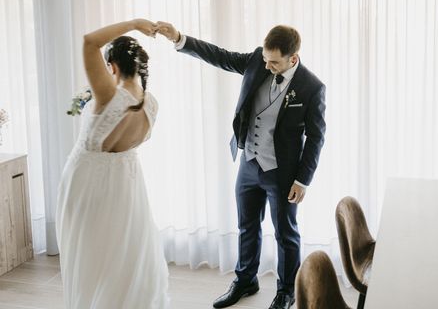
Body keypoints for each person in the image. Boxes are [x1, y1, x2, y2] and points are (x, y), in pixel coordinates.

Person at [157, 23, 326, 309]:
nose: (267, 64)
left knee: (286, 232)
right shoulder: (257, 60)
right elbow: (219, 55)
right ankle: (246, 279)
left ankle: (287, 291)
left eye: (274, 62)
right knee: (247, 226)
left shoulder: (312, 87)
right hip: (248, 164)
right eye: (265, 59)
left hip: (282, 172)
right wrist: (179, 38)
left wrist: (303, 179)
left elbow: (316, 137)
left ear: (292, 59)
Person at [56, 19, 169, 309]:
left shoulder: (108, 95)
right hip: (127, 185)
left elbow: (88, 41)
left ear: (113, 67)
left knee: (88, 254)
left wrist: (133, 24)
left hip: (88, 182)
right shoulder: (151, 103)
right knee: (123, 253)